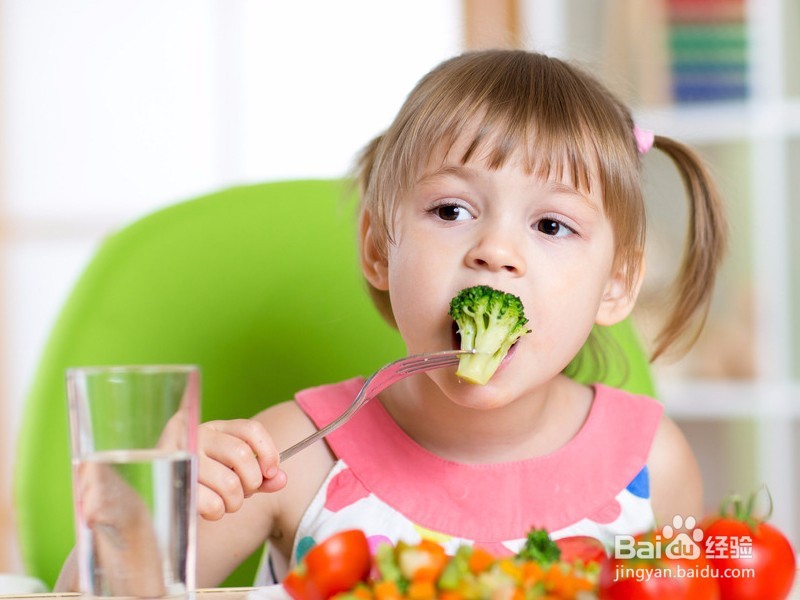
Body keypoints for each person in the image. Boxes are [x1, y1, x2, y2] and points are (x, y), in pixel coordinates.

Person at [58, 49, 729, 591]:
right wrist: (146, 513)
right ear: (380, 249)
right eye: (451, 212)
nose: (495, 252)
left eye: (551, 225)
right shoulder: (295, 454)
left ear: (616, 287)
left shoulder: (653, 464)